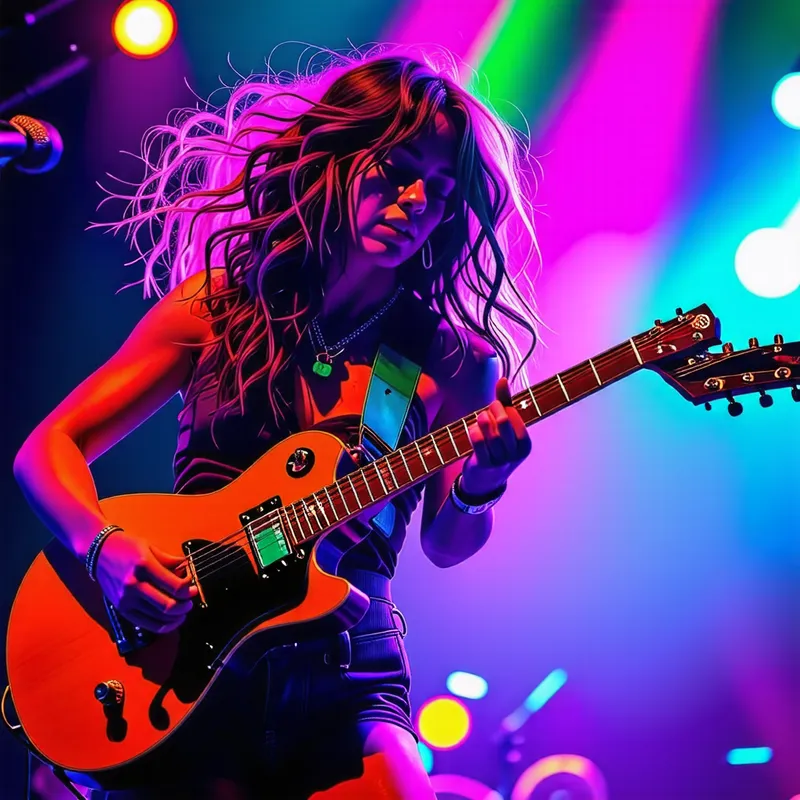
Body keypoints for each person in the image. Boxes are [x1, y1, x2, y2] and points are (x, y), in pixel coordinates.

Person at [13, 46, 541, 799]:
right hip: (183, 644)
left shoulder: (448, 361)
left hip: (345, 658)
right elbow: (48, 448)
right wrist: (105, 549)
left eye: (439, 190)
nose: (417, 202)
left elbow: (446, 544)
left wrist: (481, 486)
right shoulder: (219, 306)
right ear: (338, 158)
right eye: (396, 172)